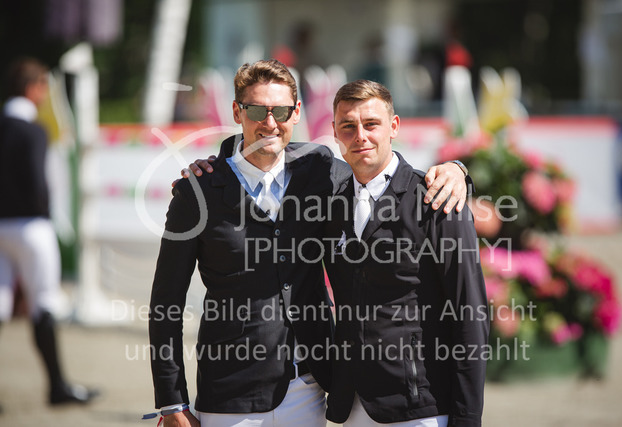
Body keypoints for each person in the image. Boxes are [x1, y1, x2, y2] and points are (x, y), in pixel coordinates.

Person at [150, 60, 469, 427]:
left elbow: (383, 169)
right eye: (257, 110)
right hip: (228, 393)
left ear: (297, 112)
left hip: (309, 391)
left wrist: (457, 171)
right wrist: (171, 402)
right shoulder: (197, 193)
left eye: (281, 111)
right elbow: (165, 303)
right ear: (237, 112)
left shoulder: (321, 171)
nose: (270, 122)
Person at [323, 80, 488, 426]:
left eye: (371, 124)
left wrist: (467, 418)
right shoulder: (328, 202)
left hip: (419, 406)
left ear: (394, 126)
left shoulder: (438, 200)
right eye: (348, 126)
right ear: (334, 132)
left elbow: (470, 314)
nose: (360, 136)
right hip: (352, 405)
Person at [0, 57, 99, 405]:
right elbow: (38, 181)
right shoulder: (34, 130)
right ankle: (57, 385)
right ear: (32, 88)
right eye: (43, 86)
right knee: (44, 303)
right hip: (31, 226)